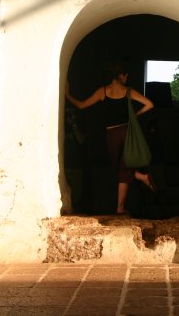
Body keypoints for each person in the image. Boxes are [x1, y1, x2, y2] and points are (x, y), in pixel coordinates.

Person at [65, 62, 155, 215]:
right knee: (122, 169)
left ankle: (121, 206)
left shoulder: (103, 91)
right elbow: (149, 104)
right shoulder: (128, 91)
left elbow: (81, 105)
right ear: (120, 76)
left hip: (112, 134)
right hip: (126, 132)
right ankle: (141, 177)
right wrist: (135, 115)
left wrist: (68, 95)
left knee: (119, 168)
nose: (127, 77)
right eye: (125, 75)